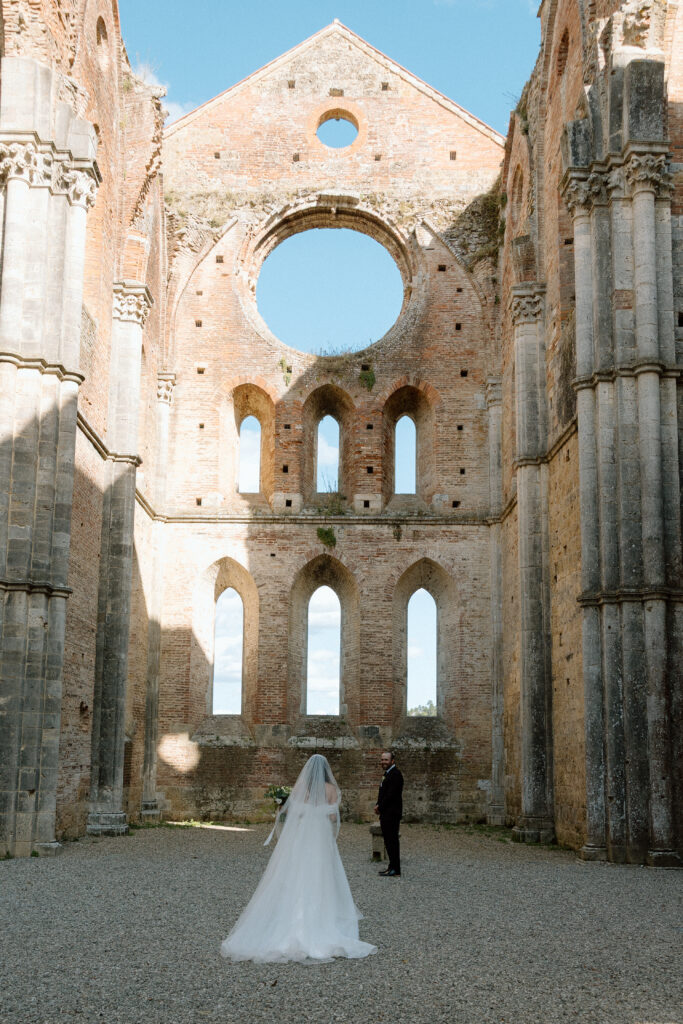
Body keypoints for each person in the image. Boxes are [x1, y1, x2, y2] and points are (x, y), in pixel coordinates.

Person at [220, 753, 377, 963]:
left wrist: (305, 810)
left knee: (297, 871)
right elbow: (332, 816)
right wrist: (322, 812)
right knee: (322, 875)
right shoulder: (331, 789)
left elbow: (295, 812)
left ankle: (292, 920)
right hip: (320, 835)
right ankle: (322, 920)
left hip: (304, 834)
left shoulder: (302, 785)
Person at [374, 750, 403, 877]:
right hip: (386, 813)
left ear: (392, 761)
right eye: (382, 760)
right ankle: (391, 867)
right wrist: (378, 804)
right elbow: (383, 792)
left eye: (386, 760)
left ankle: (395, 869)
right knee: (388, 841)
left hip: (391, 813)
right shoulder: (388, 773)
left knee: (392, 841)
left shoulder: (396, 774)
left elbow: (391, 795)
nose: (383, 762)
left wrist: (380, 806)